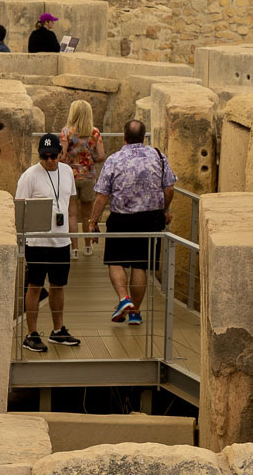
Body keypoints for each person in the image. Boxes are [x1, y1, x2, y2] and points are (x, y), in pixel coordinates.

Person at [86, 118, 175, 326]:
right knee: (140, 264)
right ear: (144, 137)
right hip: (151, 218)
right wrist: (164, 209)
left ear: (124, 137)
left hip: (122, 218)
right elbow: (169, 188)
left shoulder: (114, 159)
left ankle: (124, 299)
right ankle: (135, 313)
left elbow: (102, 196)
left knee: (115, 260)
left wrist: (93, 221)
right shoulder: (158, 156)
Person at [15, 133, 82, 354]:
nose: (49, 160)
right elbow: (19, 209)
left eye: (53, 156)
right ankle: (31, 334)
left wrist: (74, 239)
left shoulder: (67, 172)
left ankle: (58, 330)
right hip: (37, 241)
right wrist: (21, 242)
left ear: (61, 154)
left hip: (61, 241)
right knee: (34, 286)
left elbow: (71, 207)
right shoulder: (29, 176)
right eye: (45, 157)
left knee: (58, 285)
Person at [58, 99, 103, 257]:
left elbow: (61, 156)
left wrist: (71, 160)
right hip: (88, 176)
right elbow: (101, 155)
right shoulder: (95, 132)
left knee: (72, 214)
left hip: (70, 176)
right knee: (87, 215)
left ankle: (74, 249)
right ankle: (88, 246)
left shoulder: (66, 132)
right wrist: (89, 160)